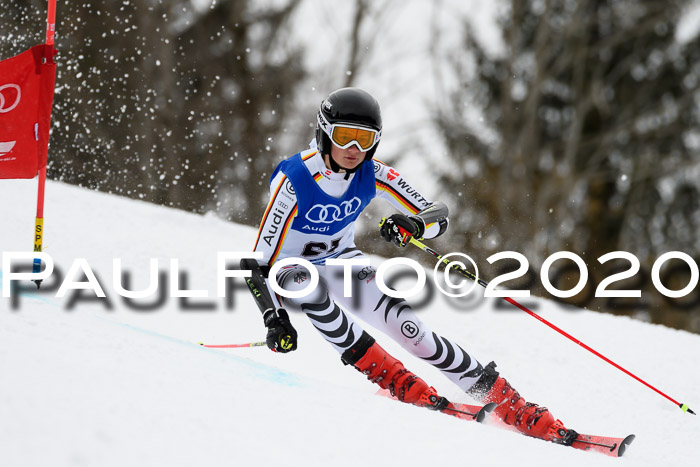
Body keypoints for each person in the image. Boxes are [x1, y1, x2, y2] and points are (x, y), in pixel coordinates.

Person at [242, 87, 577, 445]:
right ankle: (395, 379)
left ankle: (511, 404)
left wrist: (414, 224)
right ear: (324, 133)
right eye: (345, 137)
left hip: (340, 261)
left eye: (365, 140)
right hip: (290, 271)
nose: (354, 150)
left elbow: (438, 215)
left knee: (411, 330)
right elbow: (257, 265)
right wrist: (275, 319)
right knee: (309, 286)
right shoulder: (295, 178)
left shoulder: (373, 173)